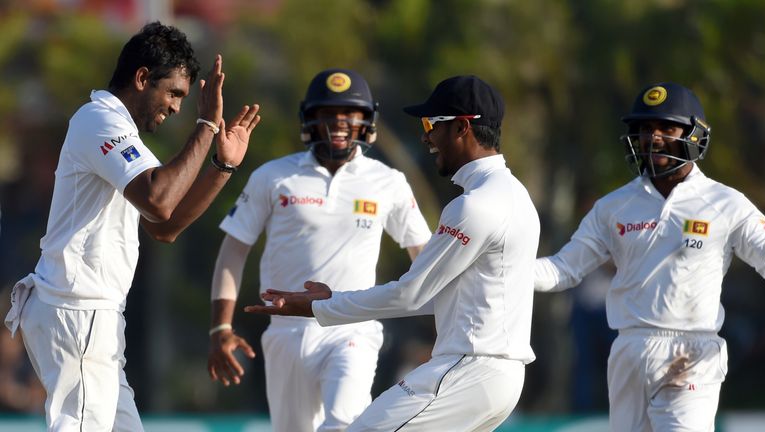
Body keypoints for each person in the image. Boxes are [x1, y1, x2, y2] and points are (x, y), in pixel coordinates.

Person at [3, 21, 261, 431]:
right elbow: (159, 202)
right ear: (142, 78)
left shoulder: (123, 134)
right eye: (174, 92)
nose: (177, 106)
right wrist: (207, 125)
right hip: (79, 308)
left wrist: (222, 165)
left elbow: (166, 226)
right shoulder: (99, 120)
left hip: (93, 315)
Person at [244, 75, 540, 432]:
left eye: (432, 124)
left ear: (462, 127)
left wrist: (319, 305)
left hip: (469, 368)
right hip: (501, 378)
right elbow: (441, 296)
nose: (425, 137)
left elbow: (411, 294)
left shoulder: (474, 206)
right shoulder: (516, 195)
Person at [206, 68, 432, 432]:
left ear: (366, 120)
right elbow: (233, 251)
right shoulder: (273, 176)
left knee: (345, 424)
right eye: (328, 113)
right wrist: (220, 326)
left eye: (350, 114)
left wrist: (444, 322)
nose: (339, 123)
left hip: (351, 327)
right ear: (310, 119)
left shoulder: (387, 181)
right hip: (286, 332)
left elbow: (424, 256)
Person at [534, 82, 765, 431]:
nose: (653, 137)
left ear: (694, 135)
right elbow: (563, 269)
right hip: (629, 350)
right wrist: (499, 269)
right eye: (645, 129)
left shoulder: (725, 204)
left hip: (692, 351)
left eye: (666, 128)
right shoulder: (614, 207)